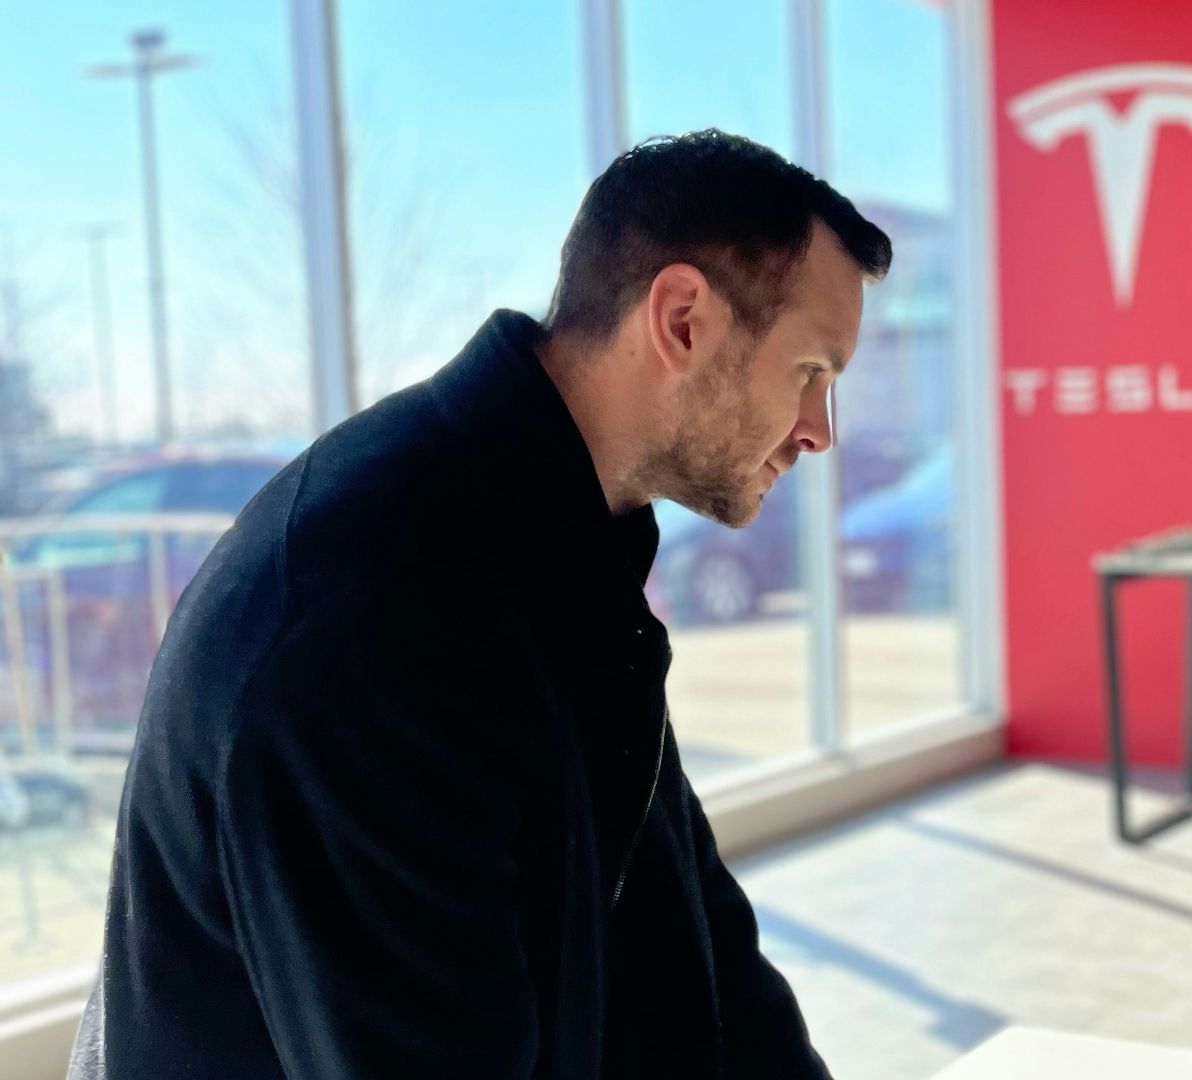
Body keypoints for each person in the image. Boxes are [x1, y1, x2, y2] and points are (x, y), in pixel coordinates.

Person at [70, 130, 890, 1079]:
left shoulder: (557, 545)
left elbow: (696, 960)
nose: (819, 431)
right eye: (810, 373)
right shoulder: (374, 614)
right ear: (681, 321)